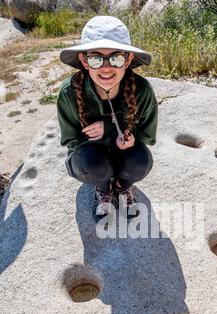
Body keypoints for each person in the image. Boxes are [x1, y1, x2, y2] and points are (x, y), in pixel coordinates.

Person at [57, 15, 158, 221]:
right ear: (84, 61)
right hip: (92, 158)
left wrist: (115, 131)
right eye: (96, 58)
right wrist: (103, 140)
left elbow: (148, 135)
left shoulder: (142, 90)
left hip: (125, 155)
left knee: (141, 161)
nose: (106, 67)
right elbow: (70, 141)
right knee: (92, 163)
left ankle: (122, 186)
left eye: (116, 58)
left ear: (128, 60)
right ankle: (104, 189)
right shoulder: (68, 94)